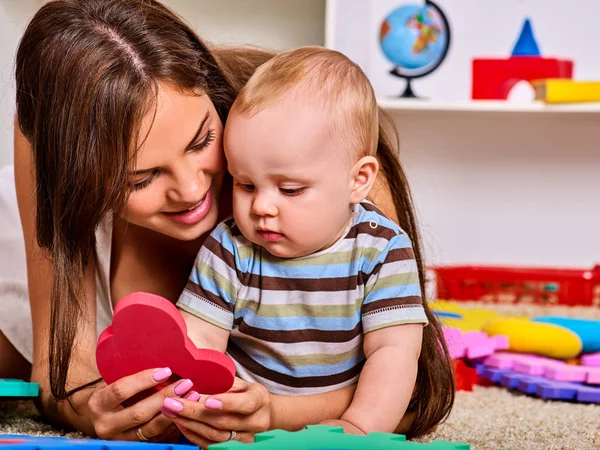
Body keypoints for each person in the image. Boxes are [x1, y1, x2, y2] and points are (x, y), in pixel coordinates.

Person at [2, 0, 452, 446]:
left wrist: (277, 414)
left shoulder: (320, 152)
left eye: (202, 141)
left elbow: (415, 388)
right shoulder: (50, 134)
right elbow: (59, 372)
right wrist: (91, 410)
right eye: (142, 177)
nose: (192, 190)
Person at [172, 46, 454, 436]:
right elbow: (199, 339)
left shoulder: (382, 250)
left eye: (289, 189)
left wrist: (358, 426)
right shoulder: (229, 247)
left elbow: (393, 353)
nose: (262, 207)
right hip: (246, 411)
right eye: (246, 184)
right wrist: (204, 405)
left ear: (358, 180)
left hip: (340, 409)